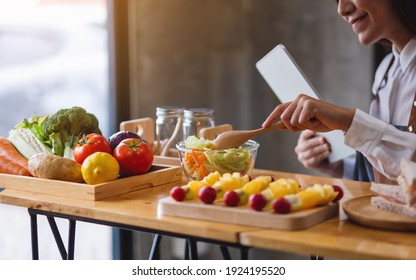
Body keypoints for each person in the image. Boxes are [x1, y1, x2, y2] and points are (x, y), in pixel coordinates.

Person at [262, 0, 416, 183]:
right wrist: (337, 166)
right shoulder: (386, 71)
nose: (342, 9)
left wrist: (348, 121)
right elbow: (387, 176)